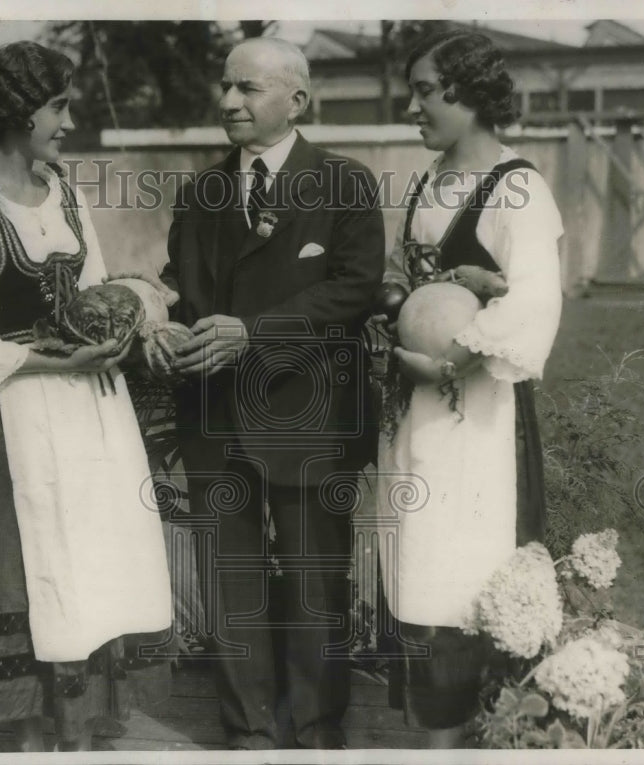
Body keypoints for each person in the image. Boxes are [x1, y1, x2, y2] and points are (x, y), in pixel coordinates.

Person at [0, 41, 172, 752]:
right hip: (25, 418)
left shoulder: (65, 191)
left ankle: (82, 733)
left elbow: (90, 289)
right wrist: (50, 359)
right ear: (17, 110)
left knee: (94, 561)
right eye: (58, 104)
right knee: (39, 569)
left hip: (95, 413)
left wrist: (120, 322)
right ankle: (36, 738)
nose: (68, 118)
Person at [160, 38, 386, 749]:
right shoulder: (202, 193)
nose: (229, 101)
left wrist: (251, 333)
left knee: (316, 575)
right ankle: (248, 727)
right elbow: (182, 289)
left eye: (248, 89)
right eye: (226, 86)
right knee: (231, 579)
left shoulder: (344, 183)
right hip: (214, 414)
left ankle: (317, 725)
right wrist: (159, 324)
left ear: (297, 99)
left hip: (309, 413)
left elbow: (354, 288)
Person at [374, 31, 564, 748]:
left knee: (466, 568)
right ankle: (434, 734)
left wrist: (452, 359)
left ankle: (467, 734)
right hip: (418, 411)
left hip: (477, 412)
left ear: (469, 93)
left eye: (425, 91)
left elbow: (535, 303)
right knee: (419, 559)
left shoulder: (518, 187)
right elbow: (401, 275)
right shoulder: (426, 184)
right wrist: (397, 298)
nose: (413, 107)